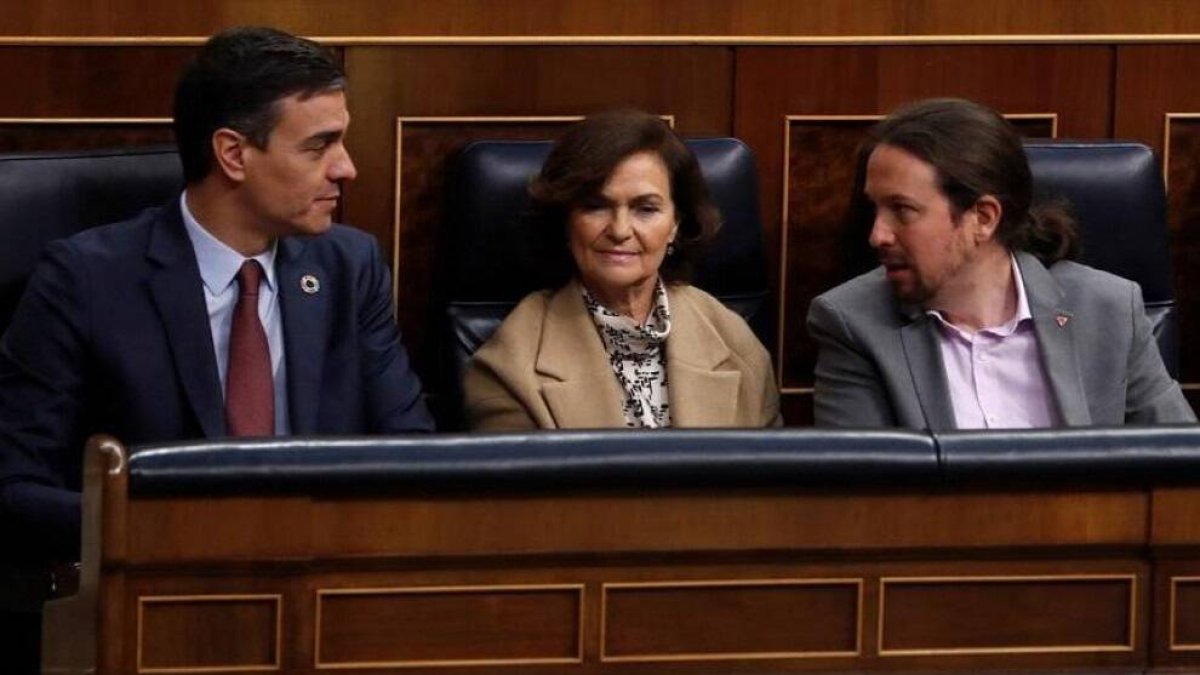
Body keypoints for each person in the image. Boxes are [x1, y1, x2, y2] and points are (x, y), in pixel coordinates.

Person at [0, 26, 432, 671]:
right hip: (154, 609)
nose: (347, 167)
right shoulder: (85, 280)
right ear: (233, 154)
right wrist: (187, 535)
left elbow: (414, 459)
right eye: (319, 146)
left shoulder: (350, 266)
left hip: (326, 608)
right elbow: (16, 486)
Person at [807, 97, 1195, 429]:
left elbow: (1180, 469)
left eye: (902, 210)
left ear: (984, 217)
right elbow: (861, 499)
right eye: (875, 209)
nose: (877, 235)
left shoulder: (1107, 310)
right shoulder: (852, 323)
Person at [464, 110, 780, 429]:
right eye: (595, 206)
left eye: (646, 209)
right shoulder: (510, 363)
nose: (620, 229)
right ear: (565, 221)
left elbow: (769, 475)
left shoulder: (734, 341)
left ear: (675, 225)